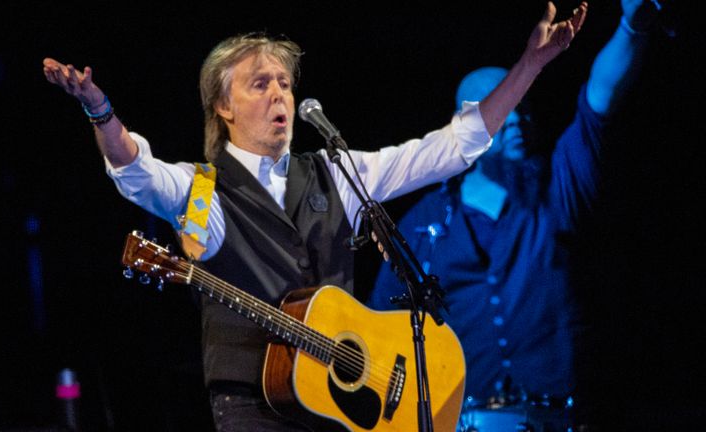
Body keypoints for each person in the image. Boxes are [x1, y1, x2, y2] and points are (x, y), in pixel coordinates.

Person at [43, 2, 587, 430]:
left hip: (340, 400)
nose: (280, 93)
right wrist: (100, 111)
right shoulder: (200, 188)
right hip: (254, 403)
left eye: (285, 82)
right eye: (261, 83)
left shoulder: (336, 171)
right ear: (224, 107)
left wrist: (531, 65)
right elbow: (138, 170)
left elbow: (447, 148)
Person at [367, 0, 660, 430]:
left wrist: (631, 27)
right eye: (502, 108)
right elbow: (381, 331)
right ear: (464, 124)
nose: (518, 118)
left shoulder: (555, 189)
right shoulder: (421, 225)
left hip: (564, 418)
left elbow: (599, 98)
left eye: (522, 104)